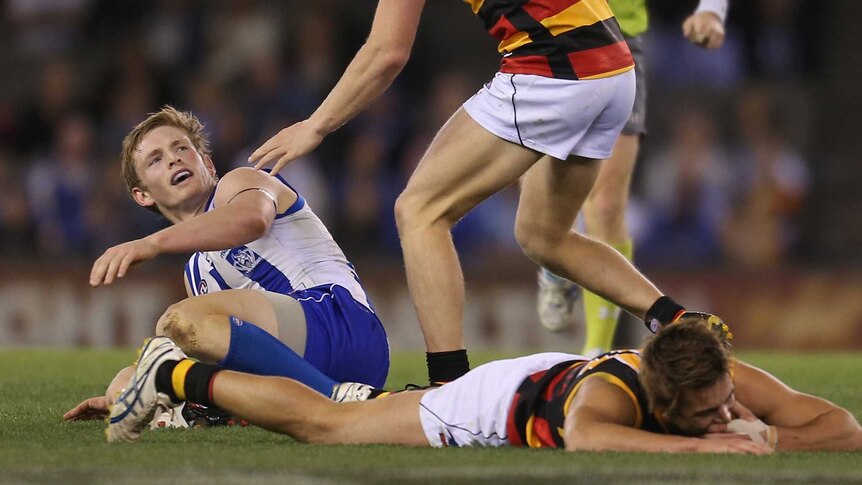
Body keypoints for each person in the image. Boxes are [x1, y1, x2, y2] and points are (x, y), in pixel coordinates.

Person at [247, 0, 712, 386]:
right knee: (544, 235)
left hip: (553, 67)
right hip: (613, 69)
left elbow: (387, 51)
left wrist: (316, 125)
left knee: (419, 210)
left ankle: (449, 385)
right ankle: (677, 320)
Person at [64, 106, 389, 423]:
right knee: (127, 379)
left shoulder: (238, 183)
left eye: (181, 148)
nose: (173, 158)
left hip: (343, 323)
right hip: (302, 362)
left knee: (178, 321)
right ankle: (223, 411)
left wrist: (152, 243)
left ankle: (337, 403)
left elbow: (251, 220)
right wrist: (123, 396)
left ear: (206, 162)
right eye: (156, 159)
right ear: (143, 196)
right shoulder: (196, 271)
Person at [105, 318, 862, 452]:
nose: (732, 410)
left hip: (538, 373)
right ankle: (174, 371)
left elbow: (845, 427)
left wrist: (774, 433)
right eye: (711, 412)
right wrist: (722, 452)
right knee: (325, 424)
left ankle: (172, 387)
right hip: (487, 402)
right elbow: (588, 437)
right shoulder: (617, 400)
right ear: (664, 403)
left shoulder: (711, 374)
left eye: (730, 399)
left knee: (339, 407)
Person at [537, 0, 729, 358]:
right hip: (545, 31)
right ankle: (553, 256)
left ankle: (594, 350)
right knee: (542, 185)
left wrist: (712, 9)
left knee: (607, 204)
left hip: (618, 37)